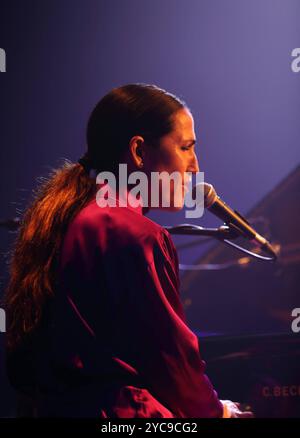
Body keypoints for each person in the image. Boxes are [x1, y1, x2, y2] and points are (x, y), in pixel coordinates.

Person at [5, 83, 253, 418]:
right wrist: (217, 412)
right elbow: (171, 359)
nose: (194, 166)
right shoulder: (135, 234)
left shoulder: (69, 215)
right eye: (185, 148)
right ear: (138, 151)